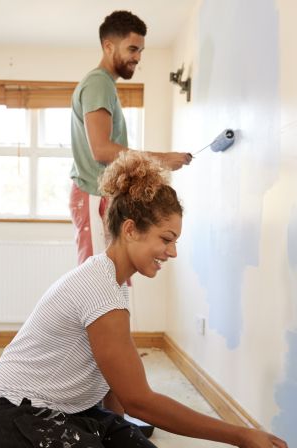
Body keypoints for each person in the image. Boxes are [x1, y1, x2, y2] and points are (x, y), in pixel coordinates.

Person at [0, 151, 297, 448]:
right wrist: (241, 436)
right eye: (166, 239)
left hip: (75, 413)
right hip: (18, 421)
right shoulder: (99, 289)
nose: (173, 252)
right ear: (130, 230)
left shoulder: (115, 283)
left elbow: (112, 379)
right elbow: (140, 400)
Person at [70, 10, 193, 265]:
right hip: (93, 194)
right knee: (97, 277)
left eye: (141, 51)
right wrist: (161, 160)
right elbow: (101, 150)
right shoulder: (98, 84)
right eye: (132, 49)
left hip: (101, 196)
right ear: (108, 46)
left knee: (113, 274)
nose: (137, 57)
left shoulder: (105, 85)